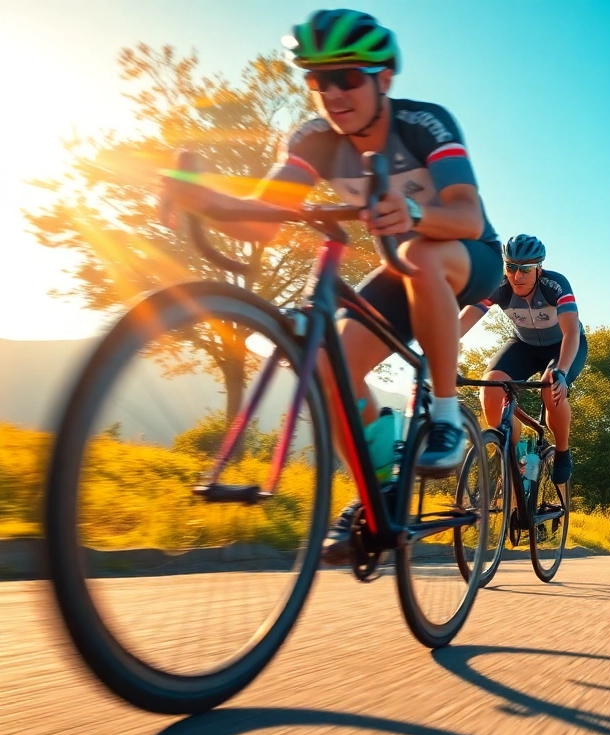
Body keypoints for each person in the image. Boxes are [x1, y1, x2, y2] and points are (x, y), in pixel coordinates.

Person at [165, 9, 504, 564]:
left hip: (466, 255)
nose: (333, 93)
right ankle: (378, 497)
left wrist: (414, 209)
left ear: (383, 79)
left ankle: (445, 413)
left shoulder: (425, 124)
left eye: (347, 77)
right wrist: (202, 196)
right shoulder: (314, 138)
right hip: (404, 268)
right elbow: (264, 220)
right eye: (319, 80)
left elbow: (467, 216)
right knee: (326, 366)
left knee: (421, 250)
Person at [459, 235, 584, 483]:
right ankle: (510, 455)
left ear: (539, 268)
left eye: (525, 269)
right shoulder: (498, 286)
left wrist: (562, 370)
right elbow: (461, 323)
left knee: (552, 387)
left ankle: (562, 450)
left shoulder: (555, 285)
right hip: (524, 345)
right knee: (491, 386)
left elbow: (570, 331)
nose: (517, 276)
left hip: (563, 344)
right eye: (512, 267)